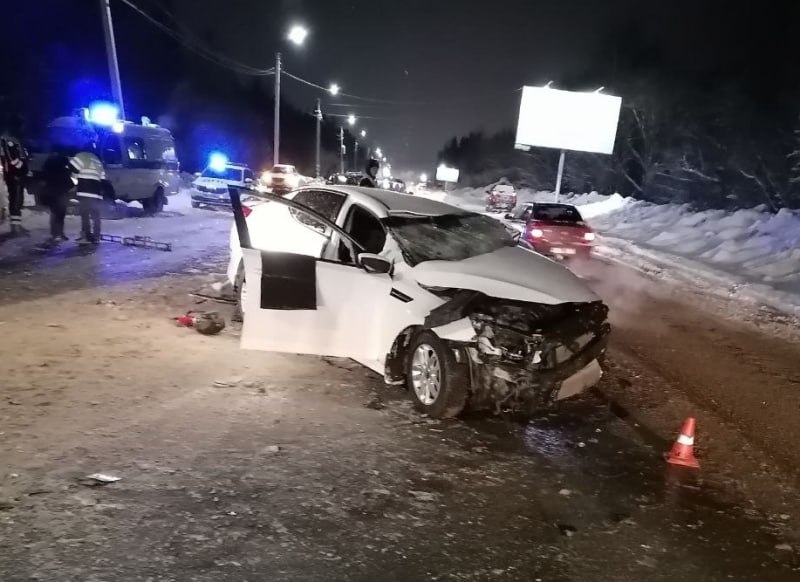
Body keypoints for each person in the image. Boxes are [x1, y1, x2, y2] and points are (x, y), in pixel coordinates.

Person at [36, 147, 76, 248]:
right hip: (59, 194)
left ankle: (56, 234)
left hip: (51, 193)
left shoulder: (49, 166)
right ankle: (58, 234)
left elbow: (42, 179)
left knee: (55, 214)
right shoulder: (63, 170)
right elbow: (69, 184)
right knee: (59, 214)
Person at [69, 142, 105, 244]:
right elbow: (102, 177)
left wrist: (74, 183)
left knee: (84, 214)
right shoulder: (97, 160)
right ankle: (96, 236)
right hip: (97, 192)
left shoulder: (81, 156)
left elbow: (72, 168)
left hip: (85, 191)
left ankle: (86, 236)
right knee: (95, 215)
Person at [1, 132, 29, 235]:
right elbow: (11, 158)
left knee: (18, 199)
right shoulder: (8, 140)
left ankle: (17, 224)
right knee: (15, 199)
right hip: (14, 175)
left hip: (16, 174)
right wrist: (21, 167)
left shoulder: (14, 139)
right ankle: (15, 227)